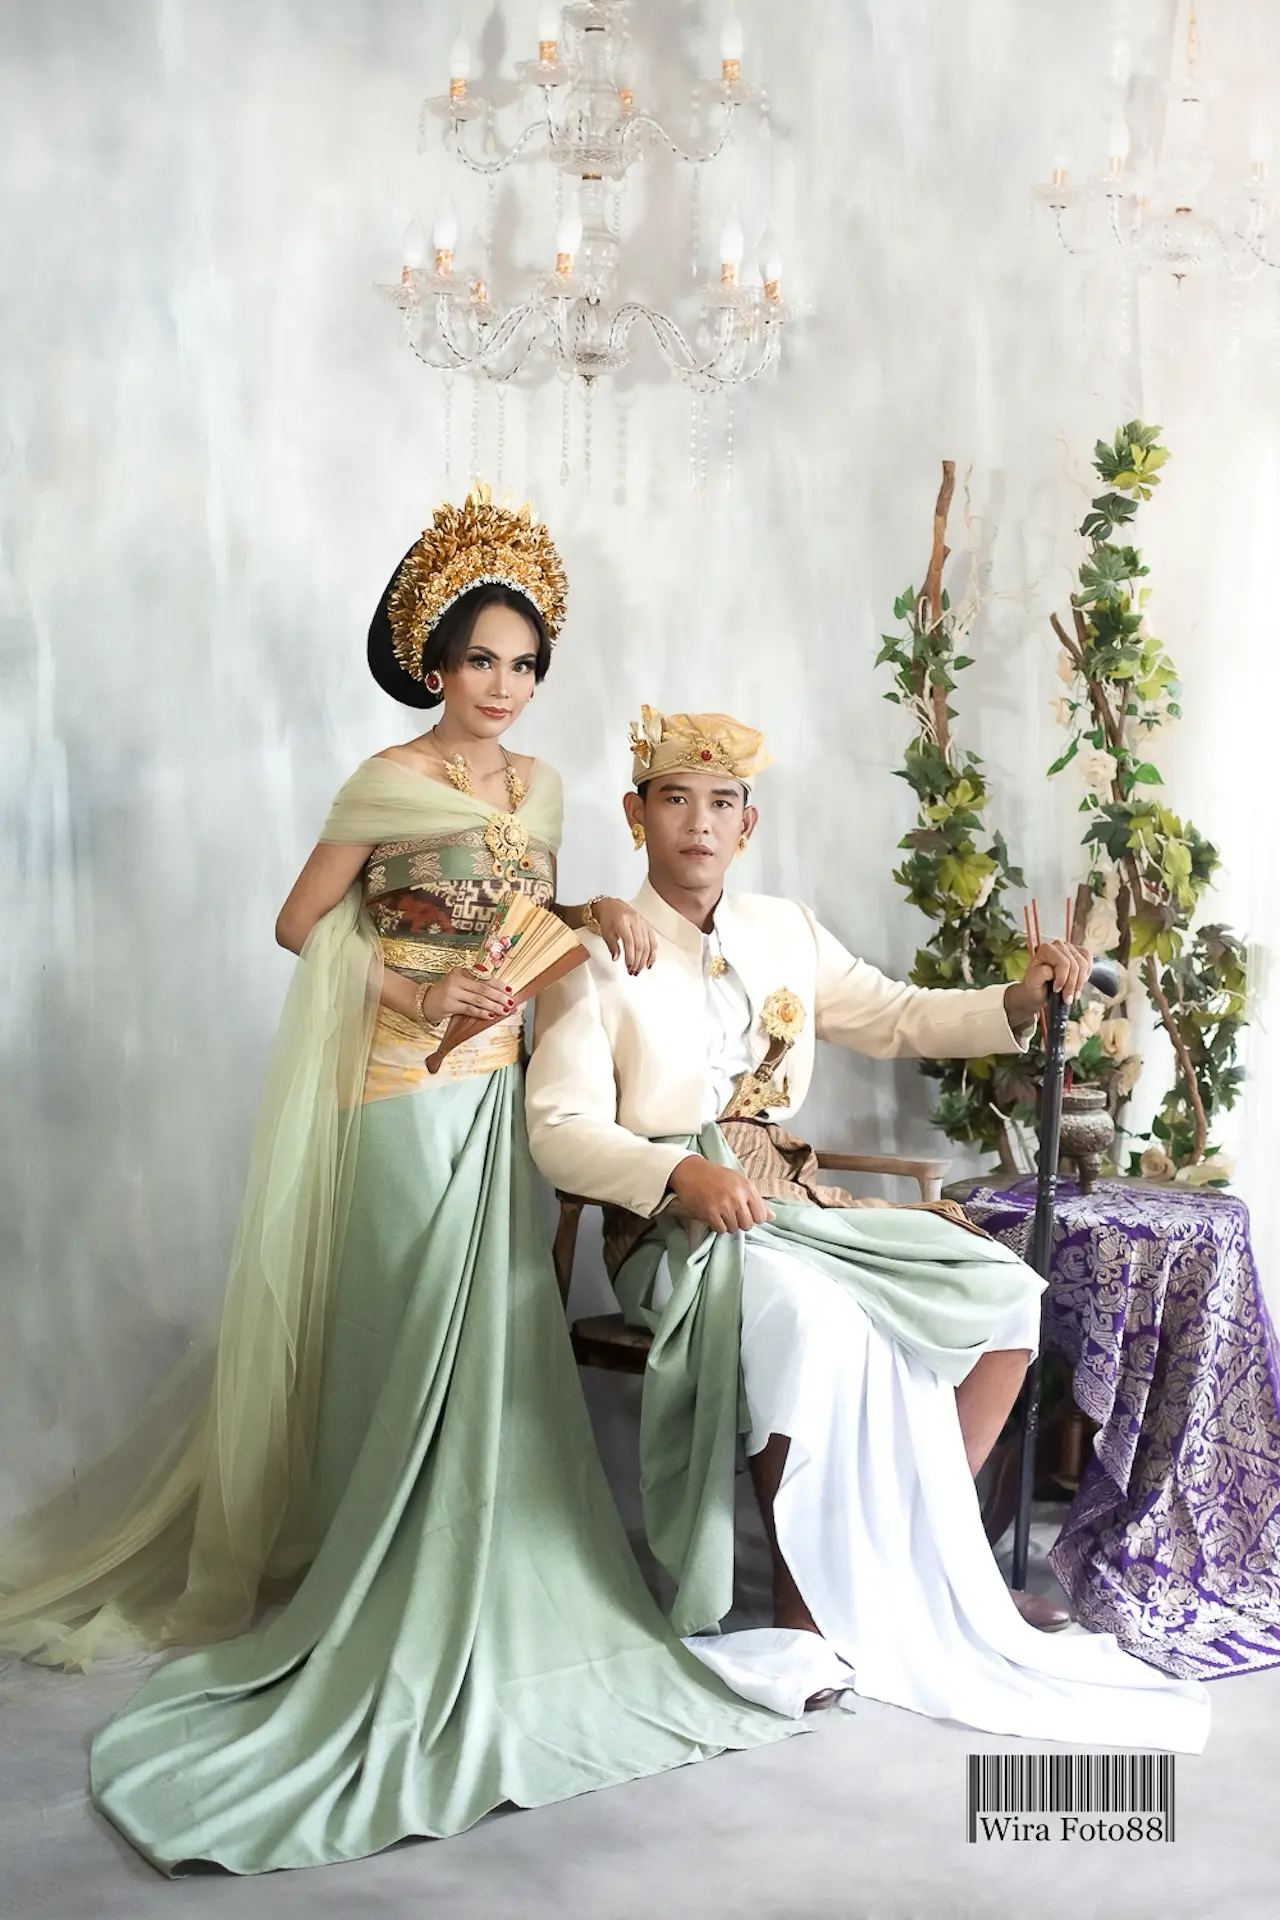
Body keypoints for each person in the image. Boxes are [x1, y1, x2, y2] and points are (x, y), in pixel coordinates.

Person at [1, 500, 792, 1875]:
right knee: (406, 1334)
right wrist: (424, 987)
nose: (505, 685)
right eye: (482, 660)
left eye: (524, 665)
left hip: (498, 1096)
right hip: (394, 1094)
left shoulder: (542, 790)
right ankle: (382, 1574)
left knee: (492, 1344)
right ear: (434, 664)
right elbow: (299, 922)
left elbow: (523, 922)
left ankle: (479, 1566)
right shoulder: (386, 780)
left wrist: (599, 910)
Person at [524, 705, 1211, 1751]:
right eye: (674, 800)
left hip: (791, 1196)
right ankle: (800, 1615)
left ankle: (918, 1561)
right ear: (636, 814)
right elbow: (559, 1131)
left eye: (721, 804)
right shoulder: (591, 952)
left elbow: (895, 1014)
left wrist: (1016, 999)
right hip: (671, 1224)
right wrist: (676, 1173)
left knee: (1004, 1293)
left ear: (746, 824)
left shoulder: (782, 930)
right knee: (813, 1317)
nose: (698, 824)